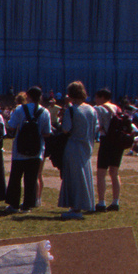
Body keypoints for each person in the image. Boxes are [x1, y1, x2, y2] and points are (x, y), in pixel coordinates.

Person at [56, 81, 98, 219]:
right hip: (87, 146)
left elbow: (66, 129)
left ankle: (75, 207)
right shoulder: (91, 110)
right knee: (85, 175)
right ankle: (84, 204)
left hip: (73, 146)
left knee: (74, 177)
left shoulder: (72, 110)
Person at [7, 86, 51, 213]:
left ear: (28, 96)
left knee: (16, 177)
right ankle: (27, 205)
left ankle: (13, 204)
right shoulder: (45, 112)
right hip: (36, 150)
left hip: (19, 150)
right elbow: (47, 132)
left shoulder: (20, 109)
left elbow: (11, 126)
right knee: (31, 179)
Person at [92, 88, 130, 212]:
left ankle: (101, 202)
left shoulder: (99, 108)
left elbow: (97, 126)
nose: (95, 100)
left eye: (97, 97)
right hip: (118, 141)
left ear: (102, 97)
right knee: (114, 172)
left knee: (101, 173)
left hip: (107, 140)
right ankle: (115, 202)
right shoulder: (117, 108)